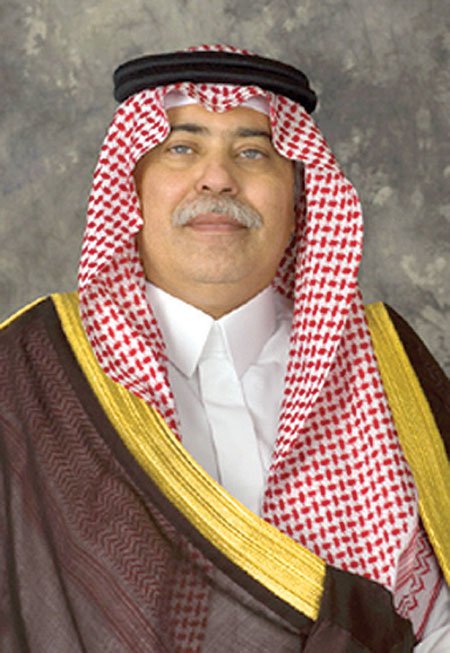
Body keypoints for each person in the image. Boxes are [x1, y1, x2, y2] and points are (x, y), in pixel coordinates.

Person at [1, 44, 449, 652]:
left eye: (253, 152)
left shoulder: (388, 362)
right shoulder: (31, 372)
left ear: (298, 197)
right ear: (131, 186)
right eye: (181, 148)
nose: (217, 177)